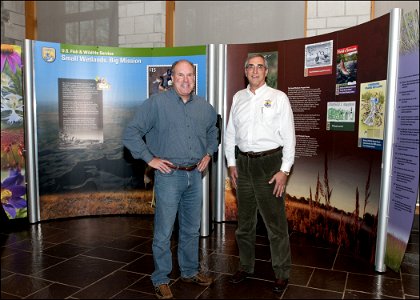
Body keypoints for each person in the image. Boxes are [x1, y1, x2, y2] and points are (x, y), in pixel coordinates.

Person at [123, 59, 219, 299]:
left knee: (191, 229)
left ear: (195, 79)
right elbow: (131, 133)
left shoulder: (204, 107)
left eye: (190, 75)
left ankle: (189, 271)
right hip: (168, 177)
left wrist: (209, 152)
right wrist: (150, 159)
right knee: (164, 232)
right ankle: (161, 278)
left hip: (195, 176)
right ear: (172, 78)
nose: (186, 80)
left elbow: (213, 132)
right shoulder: (156, 104)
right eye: (180, 75)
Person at [224, 53, 296, 294]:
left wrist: (284, 171)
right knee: (245, 224)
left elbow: (289, 138)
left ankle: (282, 273)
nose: (255, 71)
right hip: (243, 165)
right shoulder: (238, 98)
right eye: (251, 67)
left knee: (275, 225)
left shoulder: (279, 98)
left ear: (267, 72)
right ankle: (246, 266)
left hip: (270, 165)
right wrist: (232, 164)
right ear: (245, 71)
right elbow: (230, 135)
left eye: (260, 67)